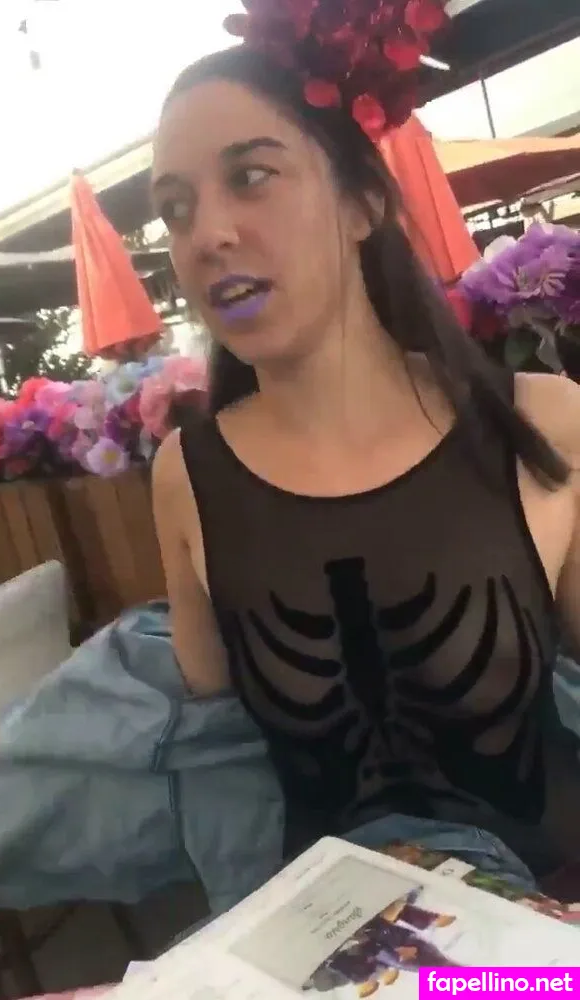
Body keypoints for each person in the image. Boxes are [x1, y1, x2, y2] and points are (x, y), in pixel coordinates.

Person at [151, 0, 580, 878]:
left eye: (252, 176)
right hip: (326, 935)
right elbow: (218, 749)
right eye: (175, 209)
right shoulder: (186, 475)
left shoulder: (544, 423)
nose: (209, 235)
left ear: (362, 203)